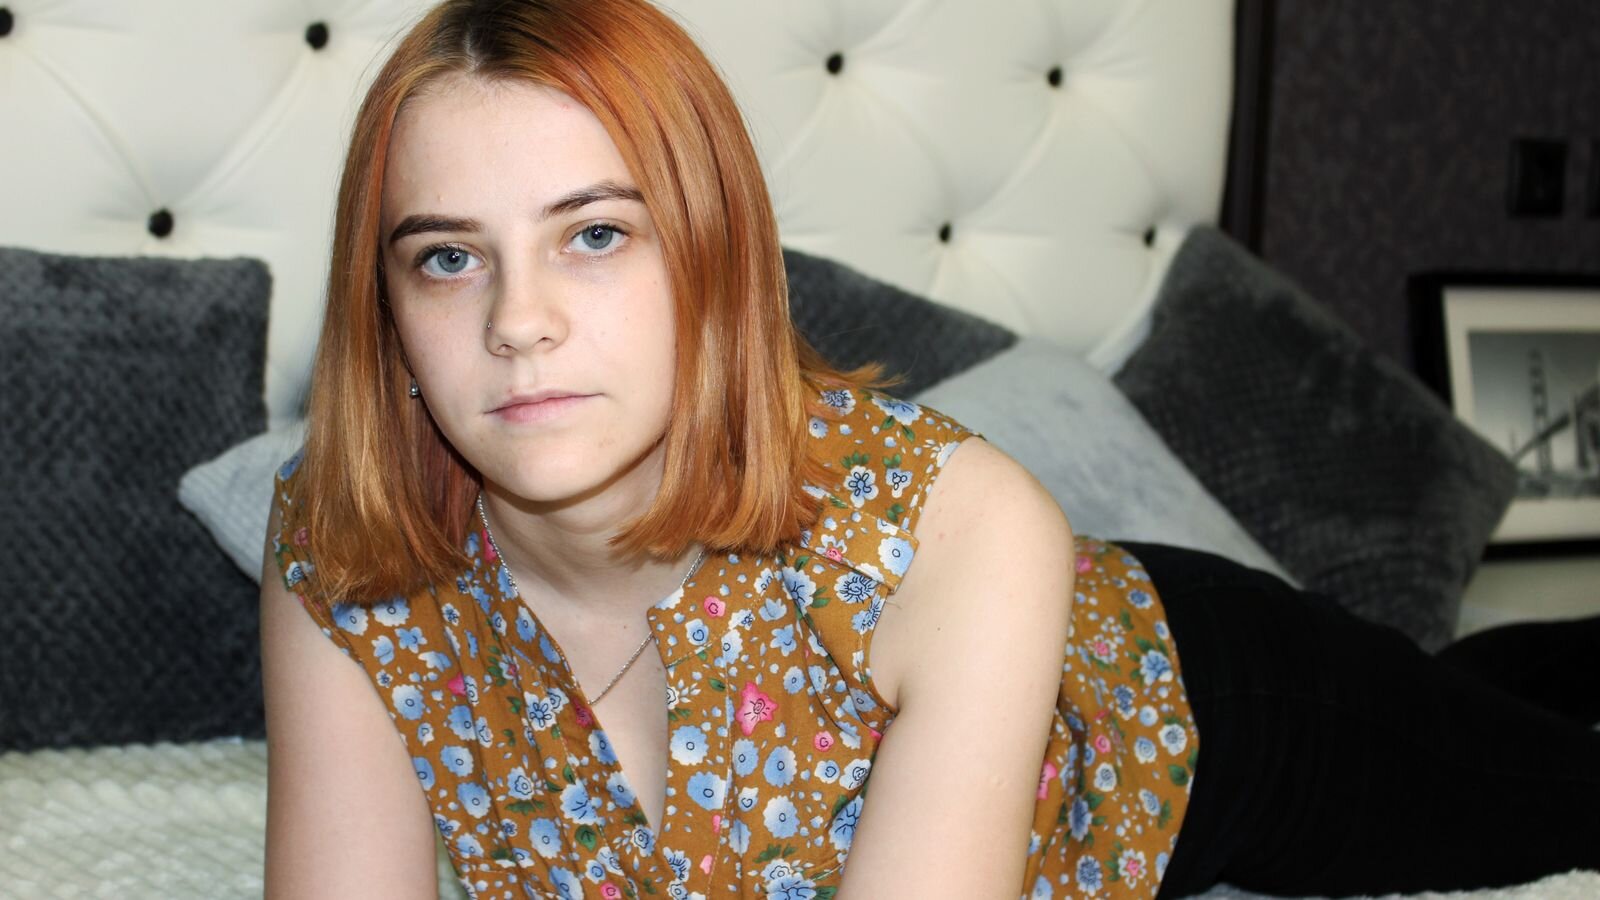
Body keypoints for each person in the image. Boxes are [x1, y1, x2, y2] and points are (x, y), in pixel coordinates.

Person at [259, 1, 1600, 898]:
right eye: (447, 258)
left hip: (1219, 705)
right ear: (388, 316)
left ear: (714, 260)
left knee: (1537, 782)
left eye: (595, 234)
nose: (518, 321)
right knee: (1465, 692)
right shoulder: (338, 556)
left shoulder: (950, 529)